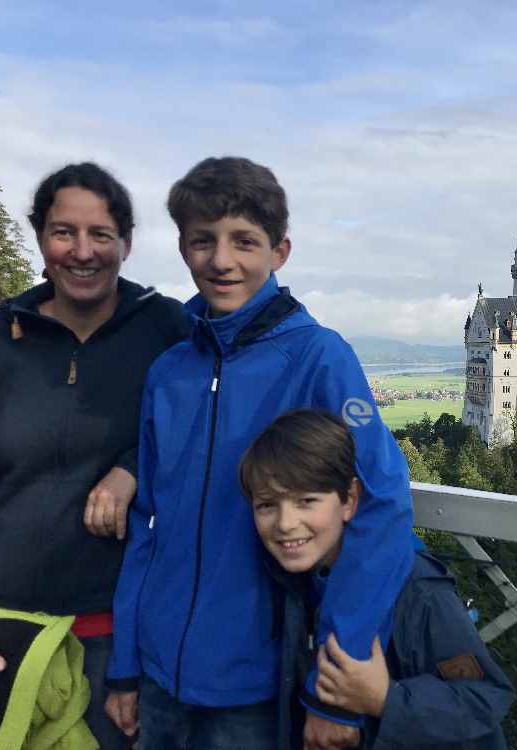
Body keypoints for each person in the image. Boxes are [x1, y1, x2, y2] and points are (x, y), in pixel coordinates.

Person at [105, 157, 415, 749]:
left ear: (280, 251)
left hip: (257, 686)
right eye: (203, 241)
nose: (221, 261)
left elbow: (381, 504)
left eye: (244, 241)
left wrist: (336, 691)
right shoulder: (170, 371)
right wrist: (125, 665)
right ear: (183, 248)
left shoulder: (320, 358)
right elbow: (148, 521)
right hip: (156, 678)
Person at [0, 162, 189, 749]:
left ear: (126, 244)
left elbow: (204, 428)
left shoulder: (166, 329)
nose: (82, 251)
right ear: (41, 239)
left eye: (101, 235)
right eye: (64, 232)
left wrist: (133, 468)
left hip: (118, 636)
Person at [240, 409, 515, 749]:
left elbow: (484, 698)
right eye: (267, 505)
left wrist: (386, 699)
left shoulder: (416, 590)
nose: (285, 522)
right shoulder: (294, 582)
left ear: (350, 500)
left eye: (306, 501)